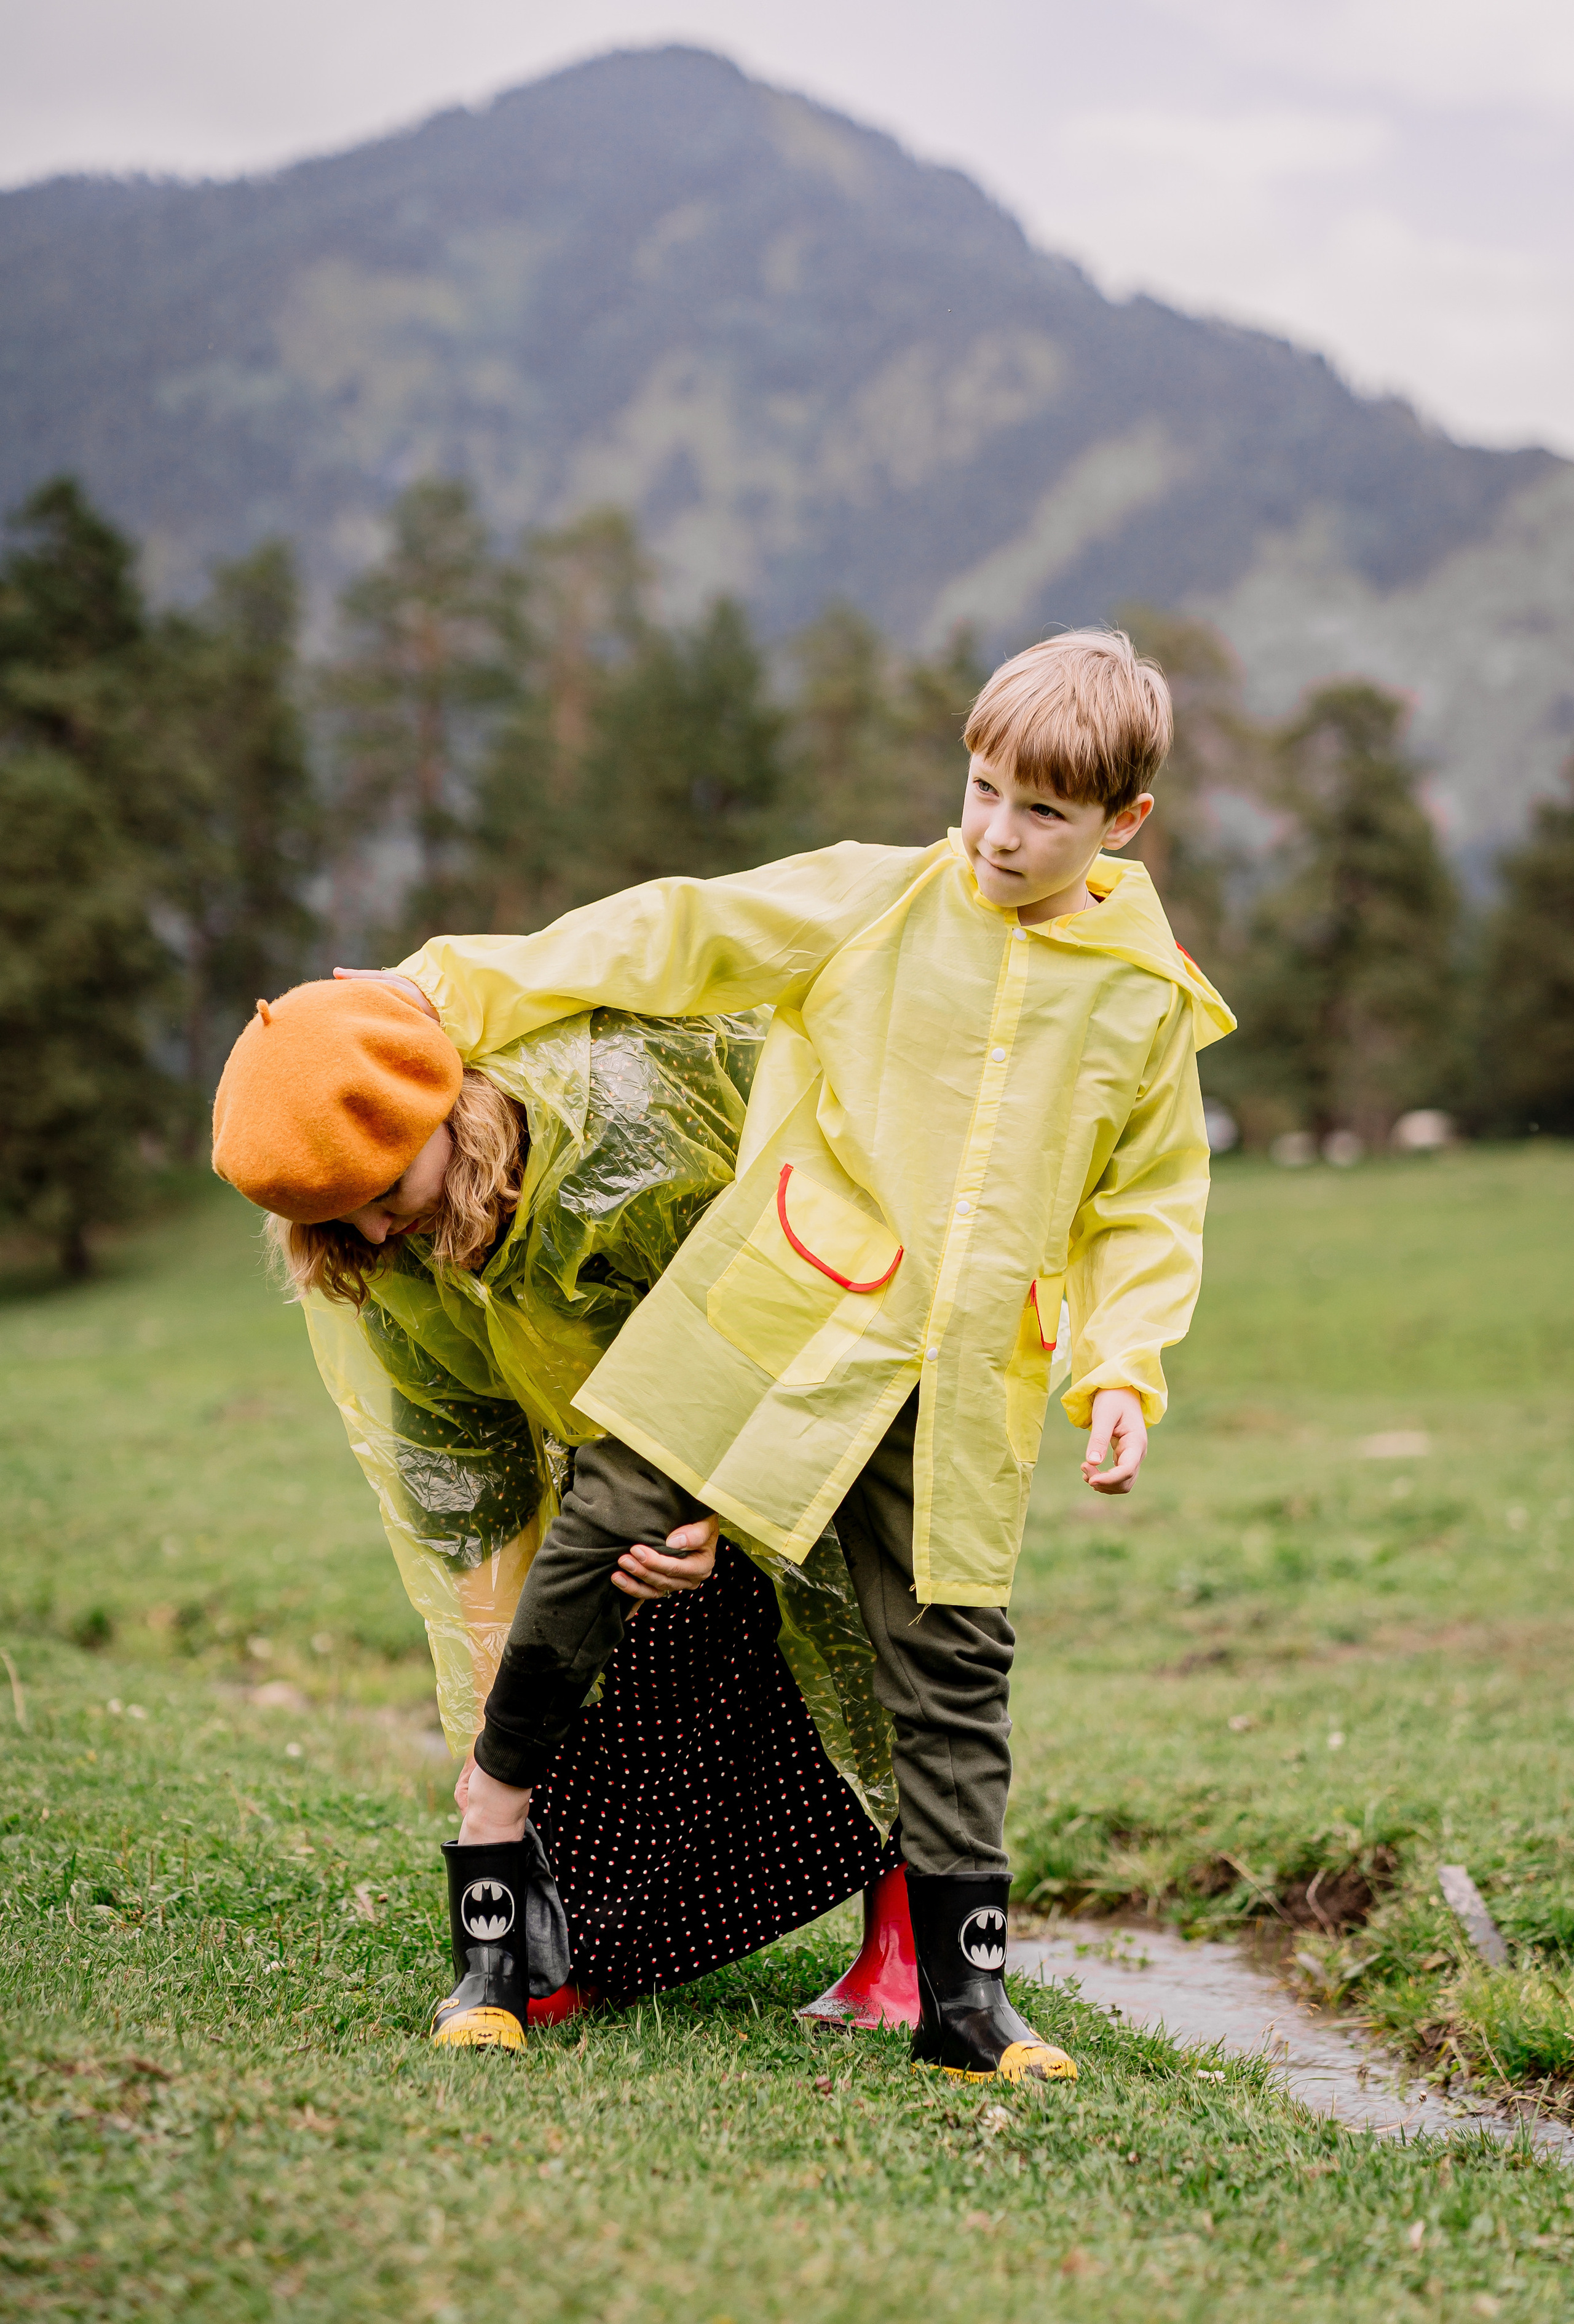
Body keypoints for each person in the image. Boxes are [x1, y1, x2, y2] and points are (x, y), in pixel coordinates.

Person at [376, 627, 1236, 2087]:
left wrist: (1121, 1371)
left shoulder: (1144, 999)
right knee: (598, 1538)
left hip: (965, 1378)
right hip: (775, 1313)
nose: (996, 834)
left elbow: (1147, 1203)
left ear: (1120, 824)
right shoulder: (880, 897)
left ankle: (966, 2002)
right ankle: (493, 1903)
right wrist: (446, 993)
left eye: (1041, 812)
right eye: (980, 790)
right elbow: (677, 931)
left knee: (951, 1656)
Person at [210, 992, 900, 2047]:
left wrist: (721, 1493)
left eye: (385, 1192)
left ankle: (901, 1948)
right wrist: (507, 1741)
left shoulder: (629, 1136)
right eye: (335, 1220)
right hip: (625, 1479)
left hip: (829, 1377)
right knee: (604, 1664)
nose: (374, 1231)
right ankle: (570, 1944)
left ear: (442, 1112)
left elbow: (781, 1301)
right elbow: (469, 1487)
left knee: (861, 1634)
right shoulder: (391, 1259)